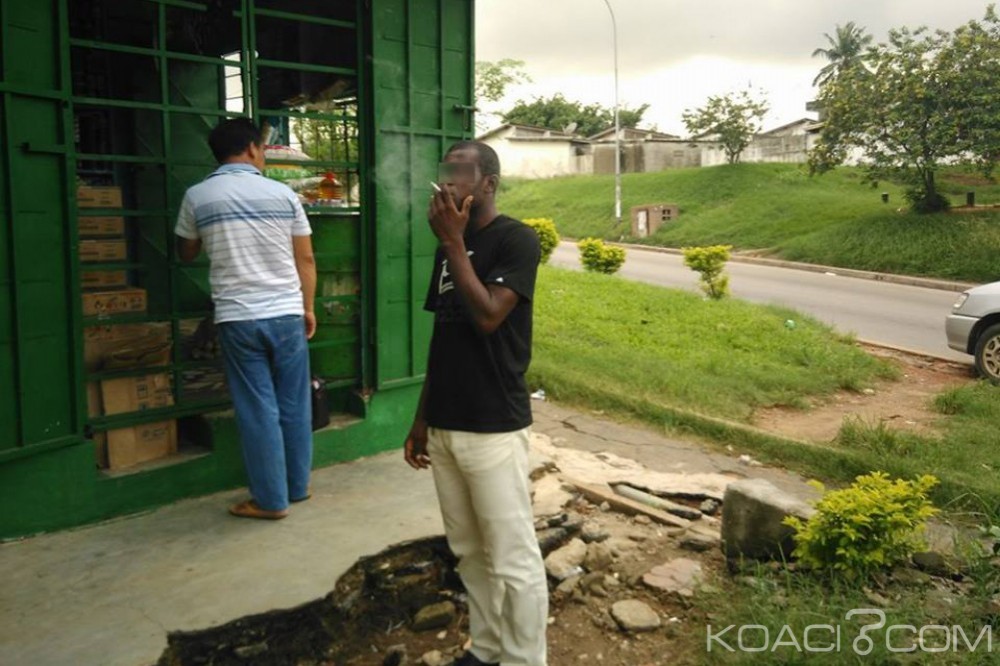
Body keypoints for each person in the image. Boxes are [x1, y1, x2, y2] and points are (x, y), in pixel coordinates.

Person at [404, 141, 547, 666]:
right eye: (444, 172)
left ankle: (524, 660)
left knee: (512, 560)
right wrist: (422, 420)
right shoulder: (451, 249)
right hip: (445, 425)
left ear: (488, 183)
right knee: (469, 555)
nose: (447, 183)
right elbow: (445, 337)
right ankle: (486, 651)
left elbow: (488, 316)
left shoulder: (517, 240)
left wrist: (454, 244)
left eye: (460, 173)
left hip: (492, 427)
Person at [175, 117, 317, 520]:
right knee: (293, 401)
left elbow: (185, 252)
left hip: (237, 317)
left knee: (257, 407)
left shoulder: (198, 196)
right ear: (254, 149)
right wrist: (307, 307)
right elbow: (304, 258)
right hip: (286, 313)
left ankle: (271, 500)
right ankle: (297, 486)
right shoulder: (283, 195)